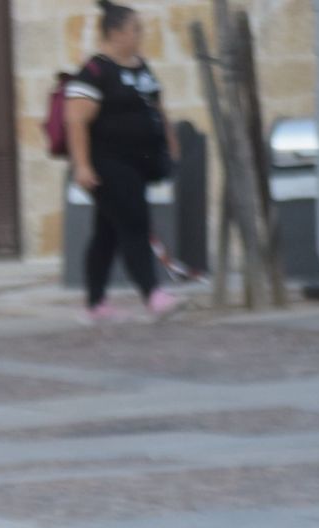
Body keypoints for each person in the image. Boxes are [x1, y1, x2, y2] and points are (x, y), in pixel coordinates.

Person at [66, 0, 184, 321]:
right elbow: (75, 121)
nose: (141, 34)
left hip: (139, 163)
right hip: (108, 164)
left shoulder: (141, 66)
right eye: (136, 29)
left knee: (107, 232)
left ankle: (95, 303)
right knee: (135, 223)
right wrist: (83, 166)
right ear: (116, 32)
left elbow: (158, 107)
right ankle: (152, 293)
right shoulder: (94, 72)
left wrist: (171, 144)